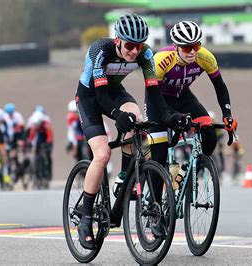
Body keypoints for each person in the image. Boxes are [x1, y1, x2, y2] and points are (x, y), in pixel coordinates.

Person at [74, 14, 189, 250]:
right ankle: (85, 219)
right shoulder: (100, 51)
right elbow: (101, 96)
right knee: (103, 154)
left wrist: (167, 118)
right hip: (90, 97)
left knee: (137, 122)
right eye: (129, 45)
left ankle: (125, 176)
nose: (134, 51)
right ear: (118, 40)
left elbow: (154, 94)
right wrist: (117, 115)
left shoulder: (146, 55)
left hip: (115, 92)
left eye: (139, 45)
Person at [145, 20, 238, 233]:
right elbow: (153, 95)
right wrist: (170, 117)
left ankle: (187, 172)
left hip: (183, 97)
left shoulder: (205, 57)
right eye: (187, 48)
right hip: (158, 100)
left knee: (210, 134)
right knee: (159, 153)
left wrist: (227, 115)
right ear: (176, 46)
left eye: (196, 46)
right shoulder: (161, 60)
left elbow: (220, 86)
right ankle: (154, 209)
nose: (192, 52)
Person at [3, 103, 27, 184]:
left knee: (19, 156)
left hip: (18, 137)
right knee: (10, 156)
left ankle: (21, 170)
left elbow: (22, 130)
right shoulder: (5, 117)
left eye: (11, 113)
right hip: (10, 138)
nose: (10, 115)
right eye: (8, 113)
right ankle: (10, 173)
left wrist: (22, 140)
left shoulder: (18, 116)